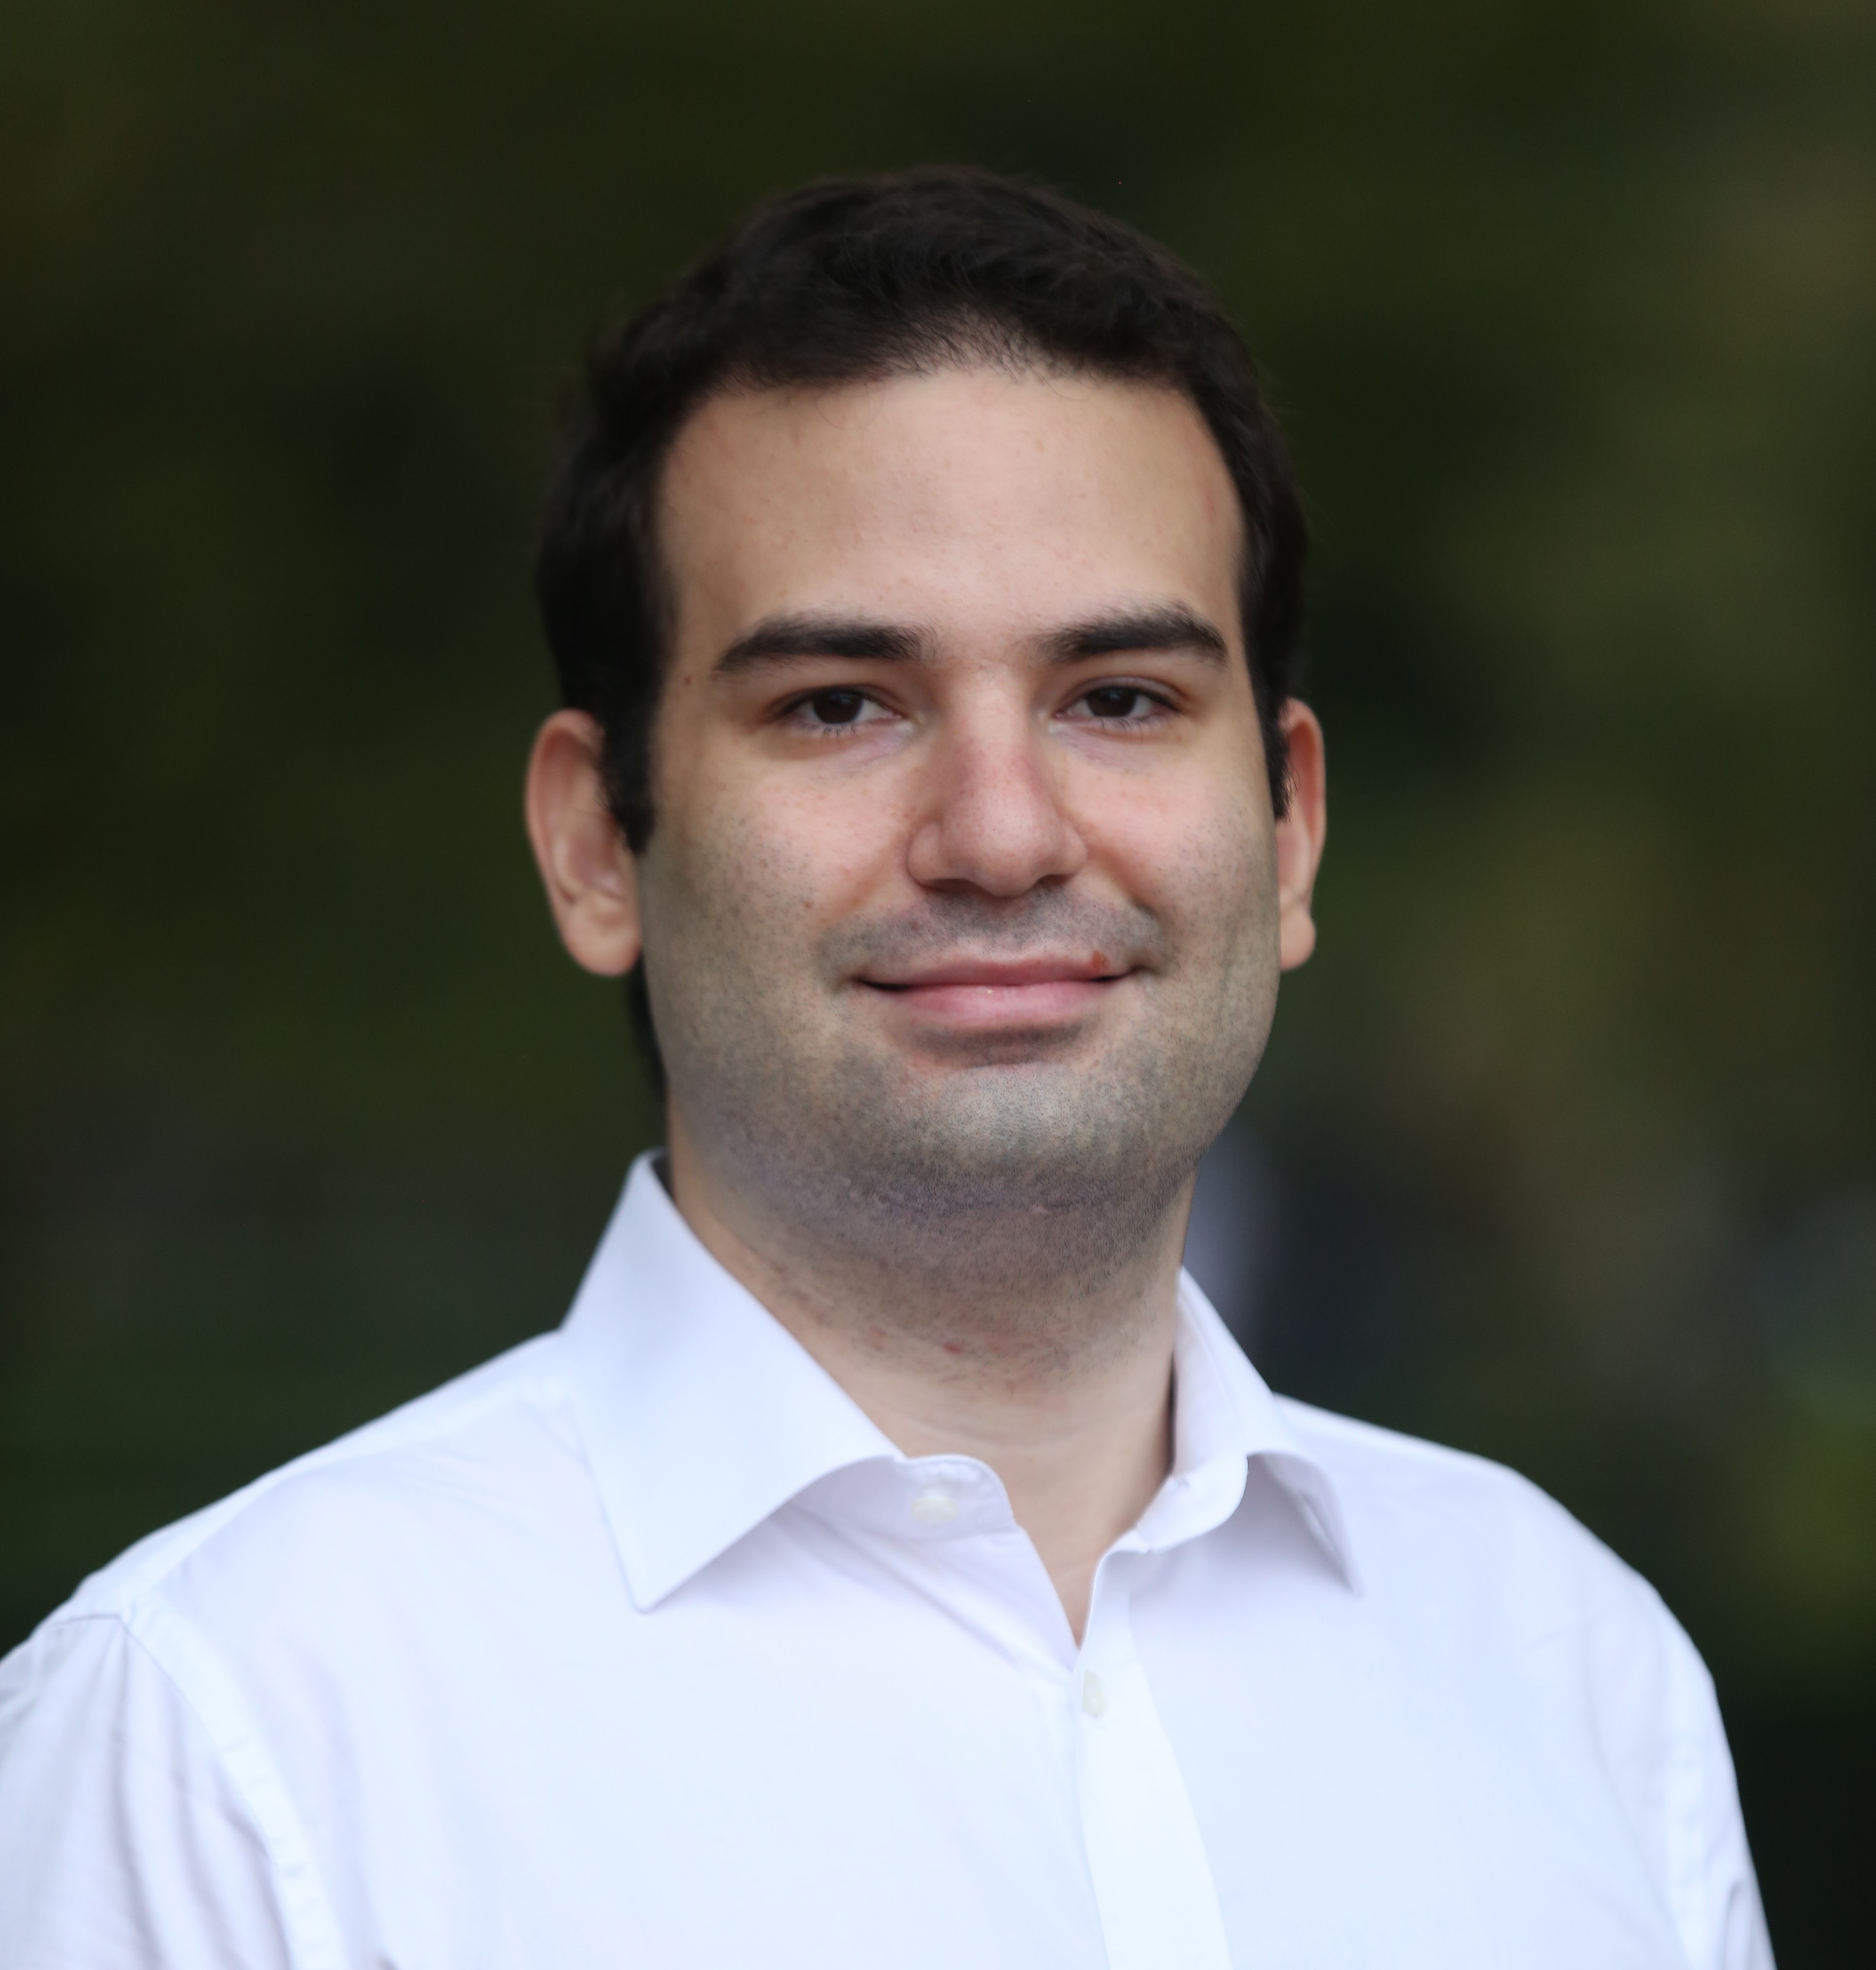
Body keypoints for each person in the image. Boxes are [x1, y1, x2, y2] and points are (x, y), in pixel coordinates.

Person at [0, 169, 1770, 1970]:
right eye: (840, 704)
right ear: (598, 846)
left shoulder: (1581, 1680)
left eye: (1121, 698)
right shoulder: (224, 1754)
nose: (1002, 836)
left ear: (1291, 826)